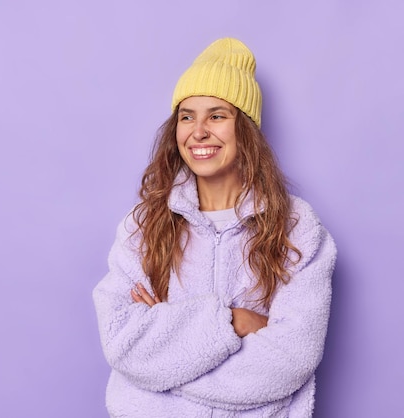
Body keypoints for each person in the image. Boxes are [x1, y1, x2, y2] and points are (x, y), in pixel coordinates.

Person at [92, 38, 337, 417]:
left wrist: (168, 349)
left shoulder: (296, 227)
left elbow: (291, 358)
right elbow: (123, 342)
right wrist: (231, 321)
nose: (199, 131)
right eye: (187, 116)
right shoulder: (143, 225)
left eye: (217, 116)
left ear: (246, 129)